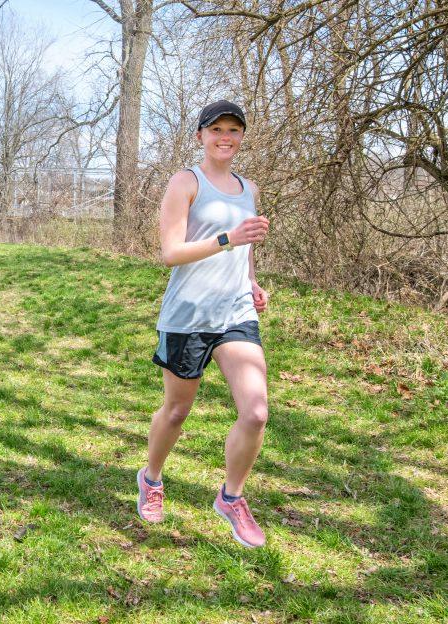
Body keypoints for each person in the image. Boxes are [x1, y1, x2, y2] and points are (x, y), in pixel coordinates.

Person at [136, 100, 272, 548]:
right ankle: (152, 478)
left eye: (233, 130)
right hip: (189, 314)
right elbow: (171, 252)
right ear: (200, 136)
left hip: (235, 313)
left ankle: (231, 497)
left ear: (241, 138)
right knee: (177, 411)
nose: (225, 137)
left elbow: (246, 246)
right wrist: (226, 239)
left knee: (255, 411)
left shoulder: (248, 188)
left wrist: (252, 282)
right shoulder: (185, 182)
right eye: (216, 129)